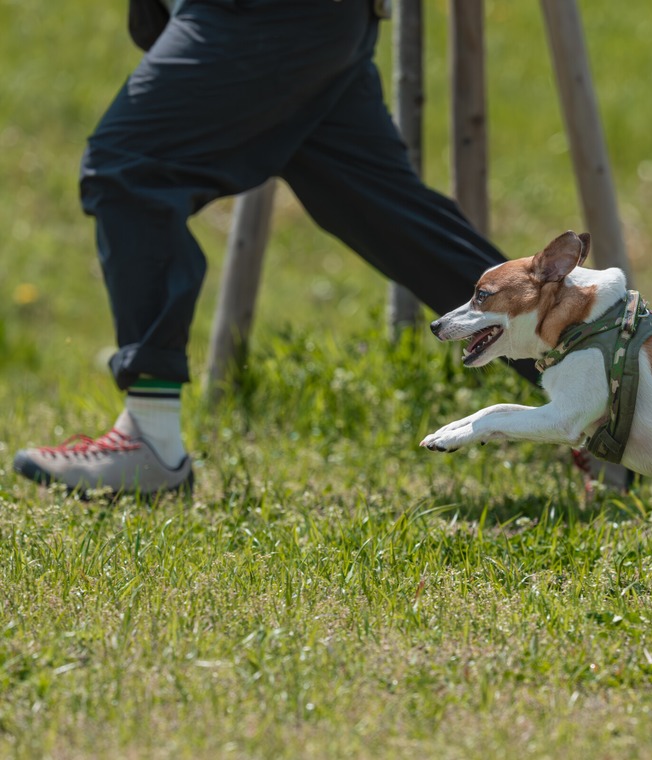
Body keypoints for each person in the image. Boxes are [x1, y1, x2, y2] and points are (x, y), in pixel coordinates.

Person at [13, 0, 545, 495]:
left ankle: (149, 439)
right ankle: (610, 396)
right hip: (316, 20)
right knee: (397, 221)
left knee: (127, 170)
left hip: (264, 15)